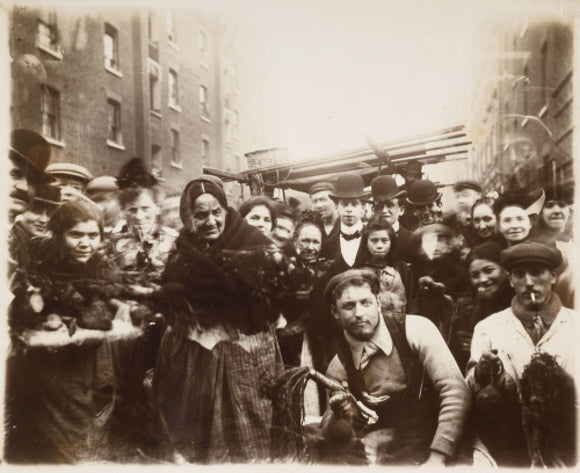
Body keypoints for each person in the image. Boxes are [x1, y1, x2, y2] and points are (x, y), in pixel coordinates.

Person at [153, 175, 284, 463]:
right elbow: (170, 298)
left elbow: (272, 300)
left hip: (245, 354)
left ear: (226, 210)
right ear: (189, 218)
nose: (210, 221)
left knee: (248, 422)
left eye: (216, 212)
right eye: (201, 215)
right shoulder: (183, 249)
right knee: (196, 428)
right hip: (194, 357)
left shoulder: (253, 241)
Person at [4, 200, 137, 463]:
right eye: (75, 235)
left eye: (93, 235)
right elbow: (21, 320)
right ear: (58, 234)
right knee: (61, 440)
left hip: (96, 364)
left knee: (94, 428)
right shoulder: (39, 270)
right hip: (51, 370)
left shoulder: (102, 267)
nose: (85, 243)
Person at [321, 269, 470, 465]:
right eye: (348, 306)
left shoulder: (416, 330)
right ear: (335, 313)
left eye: (366, 303)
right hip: (387, 452)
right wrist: (339, 417)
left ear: (379, 303)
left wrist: (437, 458)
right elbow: (332, 433)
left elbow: (456, 392)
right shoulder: (338, 366)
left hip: (440, 442)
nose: (359, 313)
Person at [466, 241, 579, 466]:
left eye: (537, 273)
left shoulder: (575, 324)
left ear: (553, 277)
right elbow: (468, 387)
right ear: (510, 280)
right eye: (519, 275)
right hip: (506, 439)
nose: (528, 283)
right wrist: (481, 372)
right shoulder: (489, 327)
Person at [450, 242, 514, 371]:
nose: (482, 279)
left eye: (489, 270)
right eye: (475, 275)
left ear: (505, 269)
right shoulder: (467, 306)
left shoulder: (517, 300)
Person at [110, 158, 177, 282]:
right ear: (123, 211)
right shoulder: (112, 244)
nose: (139, 216)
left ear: (158, 207)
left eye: (145, 208)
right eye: (132, 209)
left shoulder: (175, 241)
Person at [359, 215, 417, 314]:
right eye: (374, 241)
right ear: (366, 243)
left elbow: (413, 301)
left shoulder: (402, 269)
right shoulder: (358, 271)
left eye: (384, 240)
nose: (379, 246)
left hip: (402, 324)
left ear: (391, 243)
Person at [320, 173, 369, 271]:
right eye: (344, 204)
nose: (349, 209)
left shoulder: (373, 238)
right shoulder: (329, 244)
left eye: (354, 204)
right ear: (337, 207)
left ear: (362, 208)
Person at [369, 175, 412, 259]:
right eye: (380, 206)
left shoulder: (412, 239)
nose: (384, 210)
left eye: (389, 205)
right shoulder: (365, 238)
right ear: (373, 210)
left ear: (401, 210)